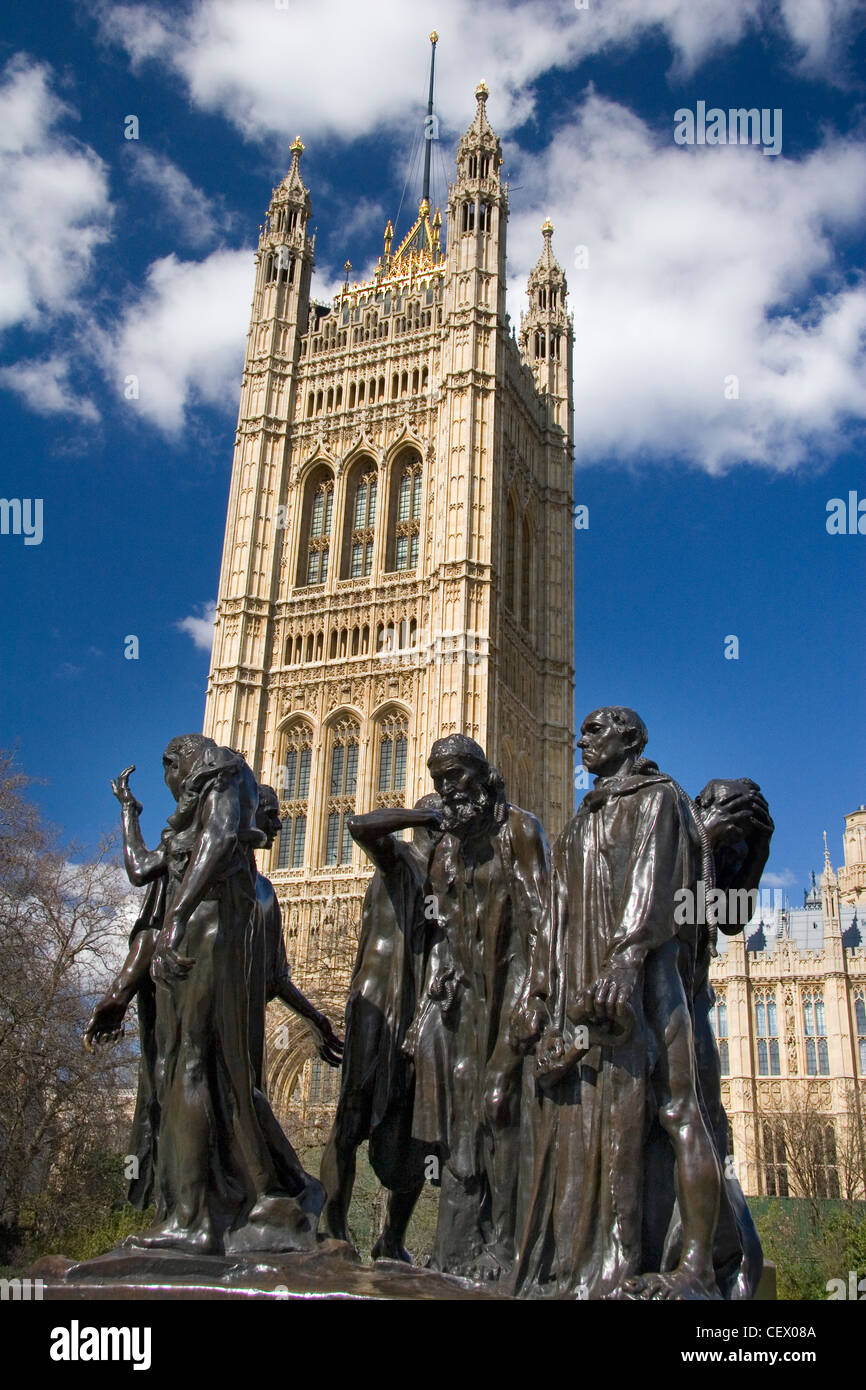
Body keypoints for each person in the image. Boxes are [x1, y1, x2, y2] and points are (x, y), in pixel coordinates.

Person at [514, 707, 721, 1300]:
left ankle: (697, 1267)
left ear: (631, 739)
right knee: (586, 1113)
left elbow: (657, 886)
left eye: (596, 730)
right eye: (580, 730)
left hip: (648, 978)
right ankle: (590, 1255)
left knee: (677, 1112)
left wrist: (627, 961)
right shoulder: (582, 820)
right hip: (587, 988)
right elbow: (553, 916)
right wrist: (539, 994)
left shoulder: (661, 799)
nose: (583, 740)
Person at [93, 736, 324, 1255]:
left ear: (183, 766)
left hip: (204, 943)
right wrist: (130, 812)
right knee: (218, 1078)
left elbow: (216, 845)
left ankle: (196, 1217)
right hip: (205, 949)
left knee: (197, 1069)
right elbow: (139, 868)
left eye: (171, 775)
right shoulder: (203, 841)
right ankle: (244, 1196)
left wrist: (173, 921)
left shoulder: (225, 784)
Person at [410, 735, 549, 1282]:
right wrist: (439, 973)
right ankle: (455, 1249)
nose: (447, 789)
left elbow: (543, 917)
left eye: (455, 778)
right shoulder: (448, 844)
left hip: (511, 988)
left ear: (481, 774)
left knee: (500, 1105)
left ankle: (508, 1246)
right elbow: (440, 921)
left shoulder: (519, 830)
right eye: (439, 781)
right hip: (464, 998)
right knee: (461, 1119)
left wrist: (536, 997)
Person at [320, 796, 443, 1261]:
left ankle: (392, 1237)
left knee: (419, 1127)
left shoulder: (446, 883)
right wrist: (421, 816)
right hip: (378, 1005)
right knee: (351, 1115)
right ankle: (332, 1230)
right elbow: (359, 826)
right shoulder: (401, 859)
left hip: (421, 1009)